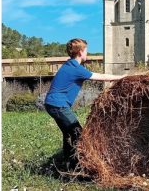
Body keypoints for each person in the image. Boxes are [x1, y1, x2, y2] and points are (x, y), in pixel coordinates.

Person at [44, 38, 124, 167]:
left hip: (53, 104)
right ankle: (78, 165)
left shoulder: (70, 64)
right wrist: (121, 78)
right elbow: (101, 77)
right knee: (78, 133)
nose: (87, 54)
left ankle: (68, 163)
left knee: (69, 133)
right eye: (86, 51)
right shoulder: (76, 68)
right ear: (80, 52)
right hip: (58, 105)